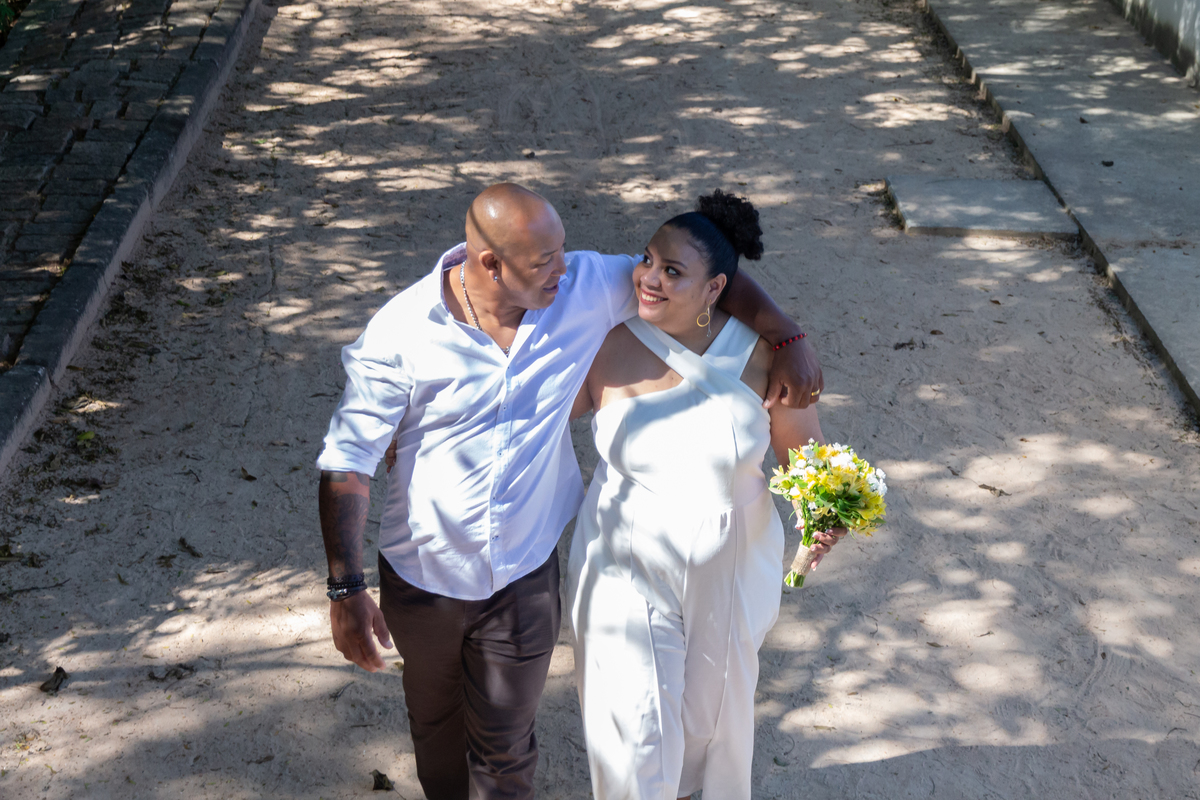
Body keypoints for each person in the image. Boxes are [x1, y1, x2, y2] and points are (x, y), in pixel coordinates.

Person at [315, 183, 822, 800]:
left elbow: (711, 271)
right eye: (545, 260)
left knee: (506, 751)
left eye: (563, 250)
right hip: (424, 573)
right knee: (437, 731)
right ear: (491, 264)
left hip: (524, 574)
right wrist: (345, 588)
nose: (567, 267)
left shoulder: (581, 288)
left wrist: (787, 335)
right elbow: (346, 463)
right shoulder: (400, 334)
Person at [566, 190, 845, 800]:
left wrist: (826, 509)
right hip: (624, 554)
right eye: (647, 260)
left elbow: (805, 456)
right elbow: (534, 417)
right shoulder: (606, 342)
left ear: (716, 288)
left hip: (730, 561)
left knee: (707, 722)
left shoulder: (765, 356)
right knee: (636, 724)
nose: (649, 278)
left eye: (673, 271)